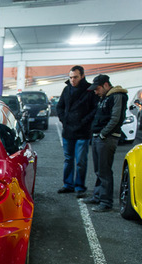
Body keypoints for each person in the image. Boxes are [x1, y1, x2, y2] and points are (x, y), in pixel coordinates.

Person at [83, 74, 128, 212]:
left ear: (106, 85)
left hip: (107, 139)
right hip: (99, 137)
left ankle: (106, 202)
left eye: (97, 89)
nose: (96, 92)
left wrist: (103, 134)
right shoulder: (105, 97)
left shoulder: (117, 96)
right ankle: (98, 196)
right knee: (99, 170)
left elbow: (116, 119)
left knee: (104, 171)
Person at [56, 65, 98, 197]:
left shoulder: (90, 91)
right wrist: (64, 120)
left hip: (83, 132)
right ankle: (68, 185)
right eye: (70, 77)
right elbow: (59, 107)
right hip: (68, 130)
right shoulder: (66, 89)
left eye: (75, 77)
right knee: (68, 159)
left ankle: (80, 186)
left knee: (81, 161)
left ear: (82, 76)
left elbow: (94, 110)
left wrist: (83, 122)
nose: (72, 80)